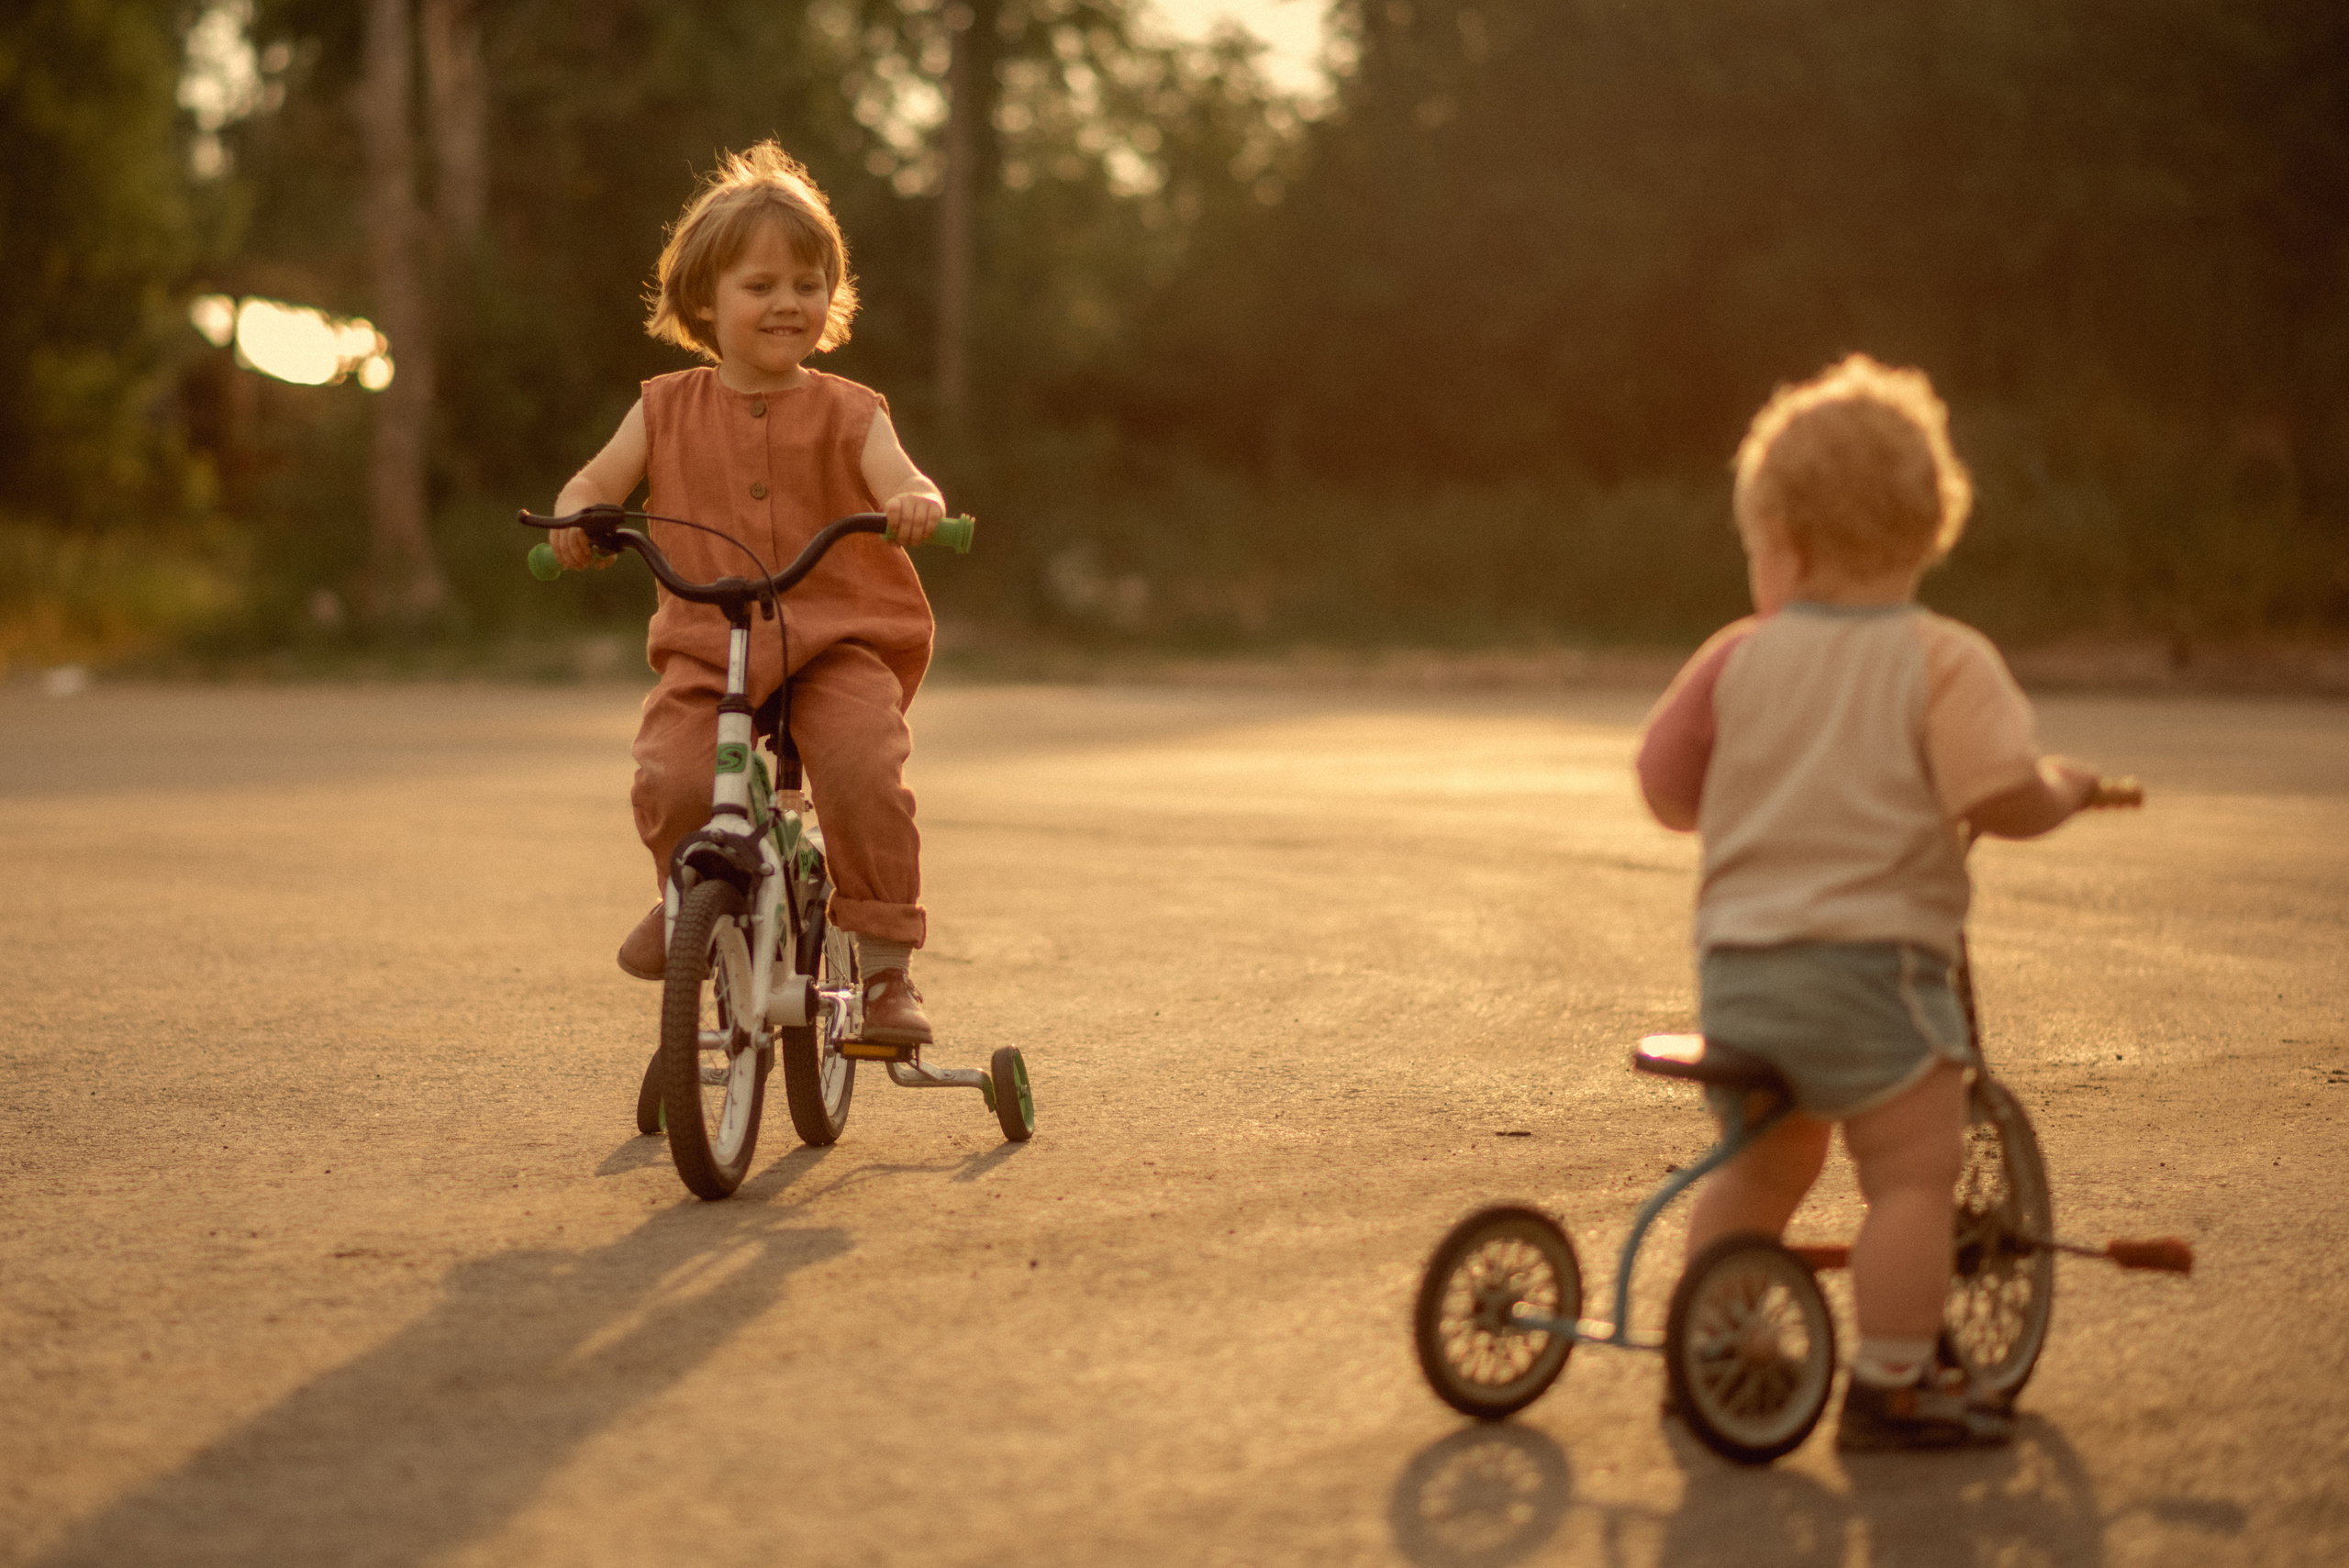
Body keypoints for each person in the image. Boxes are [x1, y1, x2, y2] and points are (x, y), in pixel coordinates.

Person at [1634, 355, 2103, 1451]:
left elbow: (1663, 788)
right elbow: (2000, 794)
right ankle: (1894, 1378)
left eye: (1754, 550)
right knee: (1912, 1173)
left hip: (1740, 978)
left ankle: (1713, 1352)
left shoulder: (1734, 659)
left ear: (1789, 544)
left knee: (1760, 1168)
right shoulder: (1944, 661)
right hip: (1870, 977)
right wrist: (2066, 790)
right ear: (1925, 530)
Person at [547, 142, 944, 1046]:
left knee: (862, 767)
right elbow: (593, 482)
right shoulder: (663, 406)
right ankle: (689, 896)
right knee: (675, 775)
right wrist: (577, 518)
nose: (787, 302)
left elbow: (903, 477)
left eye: (808, 284)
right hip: (709, 642)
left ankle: (885, 966)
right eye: (760, 285)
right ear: (704, 301)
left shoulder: (852, 409)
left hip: (837, 639)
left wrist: (915, 502)